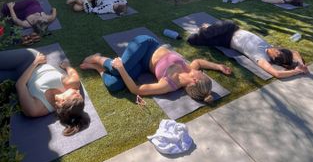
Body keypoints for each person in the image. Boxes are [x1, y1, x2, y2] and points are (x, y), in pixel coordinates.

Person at [80, 34, 232, 102]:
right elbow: (199, 62)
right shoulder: (190, 69)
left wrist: (122, 69)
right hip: (146, 45)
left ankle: (98, 68)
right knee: (117, 69)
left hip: (143, 65)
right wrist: (218, 66)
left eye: (202, 75)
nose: (200, 71)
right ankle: (97, 58)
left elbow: (136, 90)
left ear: (194, 81)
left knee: (115, 85)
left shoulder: (169, 85)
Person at [0, 48, 89, 136]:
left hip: (23, 72)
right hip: (29, 59)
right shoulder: (72, 84)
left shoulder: (36, 109)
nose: (78, 90)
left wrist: (35, 64)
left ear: (62, 102)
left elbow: (19, 85)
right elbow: (74, 75)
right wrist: (67, 66)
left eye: (75, 94)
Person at [187, 20, 309, 79]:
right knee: (220, 26)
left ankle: (206, 29)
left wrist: (296, 71)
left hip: (225, 41)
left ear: (274, 57)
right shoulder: (271, 47)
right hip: (232, 28)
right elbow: (294, 52)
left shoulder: (261, 58)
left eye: (276, 51)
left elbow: (277, 73)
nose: (275, 48)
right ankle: (207, 29)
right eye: (278, 49)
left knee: (192, 40)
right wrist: (301, 65)